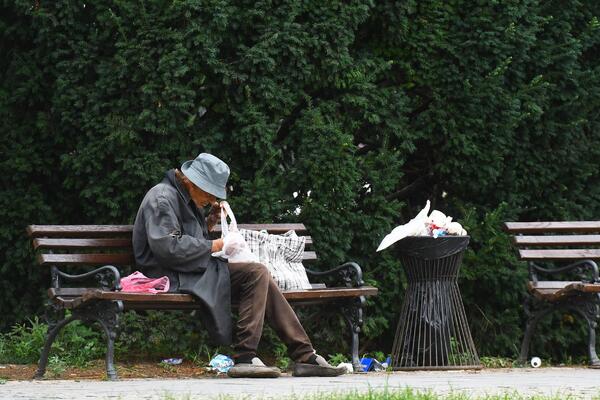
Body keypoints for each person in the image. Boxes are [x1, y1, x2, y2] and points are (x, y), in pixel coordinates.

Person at [132, 152, 346, 378]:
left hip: (189, 271)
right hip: (167, 276)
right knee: (256, 273)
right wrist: (217, 245)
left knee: (258, 273)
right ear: (192, 182)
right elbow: (168, 248)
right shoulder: (162, 197)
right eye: (210, 192)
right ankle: (249, 356)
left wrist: (210, 223)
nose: (212, 200)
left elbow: (188, 240)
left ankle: (303, 355)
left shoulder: (185, 197)